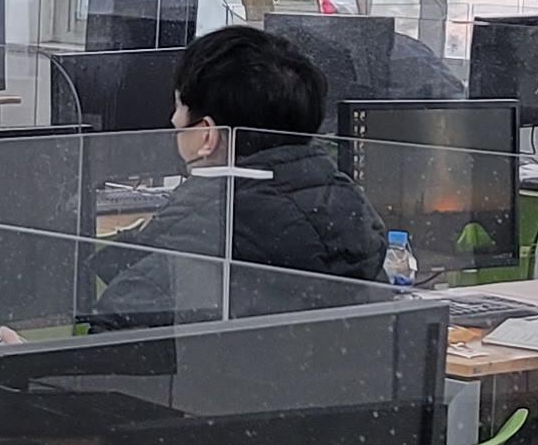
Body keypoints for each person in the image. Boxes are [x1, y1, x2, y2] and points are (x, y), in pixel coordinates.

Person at [86, 25, 390, 329]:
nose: (174, 120)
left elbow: (108, 345)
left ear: (207, 135)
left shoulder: (193, 248)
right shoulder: (354, 232)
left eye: (179, 107)